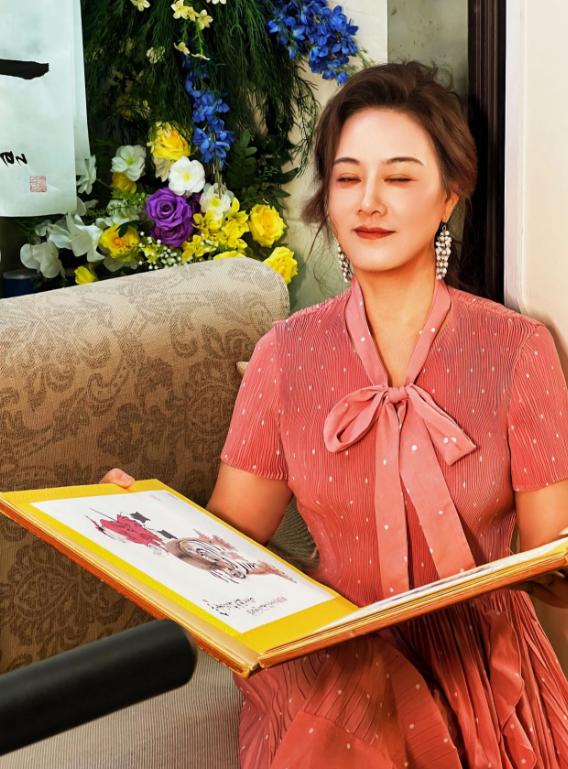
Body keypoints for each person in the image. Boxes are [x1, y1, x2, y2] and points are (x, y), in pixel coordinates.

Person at [103, 62, 568, 768]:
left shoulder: (518, 350)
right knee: (357, 697)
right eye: (348, 179)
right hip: (331, 657)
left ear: (450, 194)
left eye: (399, 178)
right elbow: (234, 538)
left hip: (480, 667)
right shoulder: (285, 353)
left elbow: (548, 565)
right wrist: (148, 527)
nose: (369, 202)